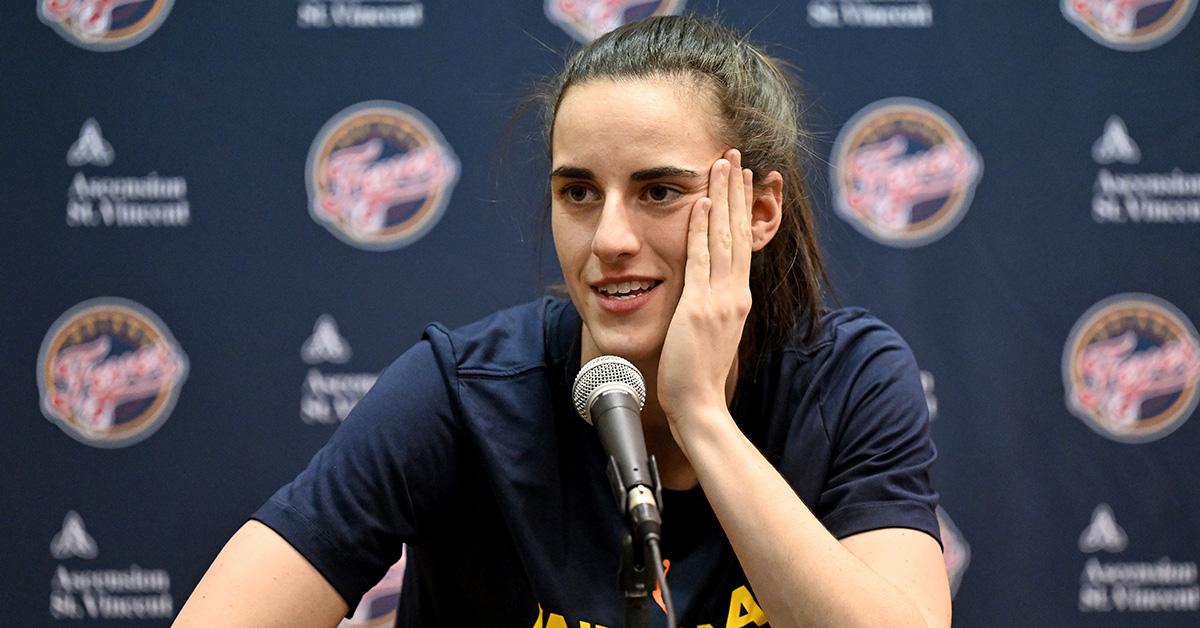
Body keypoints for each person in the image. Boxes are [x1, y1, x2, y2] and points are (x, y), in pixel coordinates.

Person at [175, 15, 951, 628]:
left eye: (658, 192)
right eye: (579, 193)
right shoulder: (463, 395)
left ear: (758, 211)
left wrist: (701, 416)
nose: (609, 240)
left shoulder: (851, 380)